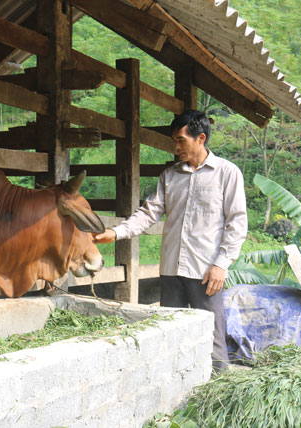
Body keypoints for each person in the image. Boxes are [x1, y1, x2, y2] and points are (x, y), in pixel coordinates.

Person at [94, 110, 247, 373]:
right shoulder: (170, 176)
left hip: (206, 272)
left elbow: (237, 223)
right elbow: (148, 213)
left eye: (181, 140)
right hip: (171, 270)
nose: (176, 148)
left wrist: (221, 264)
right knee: (170, 334)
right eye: (174, 141)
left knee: (212, 339)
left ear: (200, 138)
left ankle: (220, 395)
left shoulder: (227, 173)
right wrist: (117, 232)